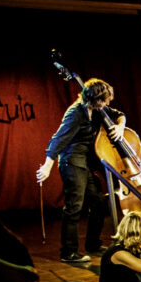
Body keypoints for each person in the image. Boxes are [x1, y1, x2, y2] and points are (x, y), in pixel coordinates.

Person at [36, 78, 126, 263]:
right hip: (71, 162)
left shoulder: (98, 109)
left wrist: (120, 127)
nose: (108, 103)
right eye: (105, 99)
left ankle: (93, 244)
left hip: (85, 163)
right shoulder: (75, 113)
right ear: (95, 99)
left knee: (99, 204)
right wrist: (47, 167)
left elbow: (120, 115)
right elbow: (57, 141)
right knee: (74, 207)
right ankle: (68, 252)